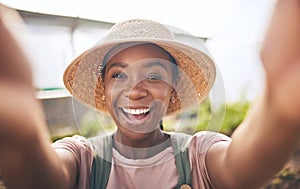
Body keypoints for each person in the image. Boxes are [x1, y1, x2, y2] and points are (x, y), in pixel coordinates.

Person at [0, 0, 299, 188]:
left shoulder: (197, 155)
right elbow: (43, 177)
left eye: (154, 75)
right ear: (105, 90)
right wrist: (23, 137)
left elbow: (239, 168)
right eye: (118, 74)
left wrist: (279, 113)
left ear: (172, 91)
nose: (135, 90)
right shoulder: (83, 158)